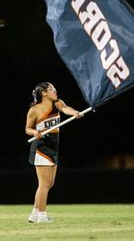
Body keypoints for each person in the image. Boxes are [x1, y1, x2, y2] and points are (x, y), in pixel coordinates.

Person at [25, 82, 83, 223]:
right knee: (43, 184)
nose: (55, 91)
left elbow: (66, 108)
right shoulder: (35, 110)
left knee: (49, 183)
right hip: (41, 148)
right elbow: (27, 129)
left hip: (53, 147)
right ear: (44, 93)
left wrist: (74, 112)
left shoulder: (57, 103)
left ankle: (34, 214)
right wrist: (35, 132)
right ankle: (42, 217)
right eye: (52, 89)